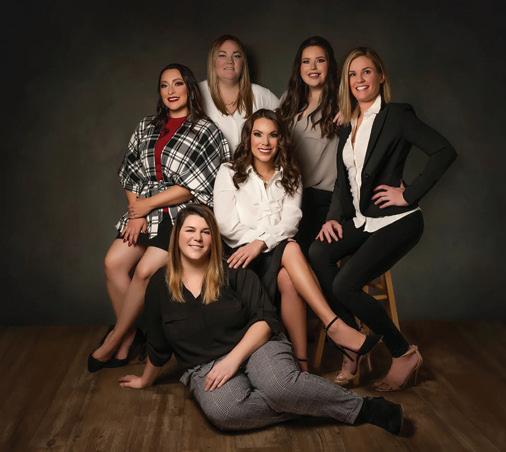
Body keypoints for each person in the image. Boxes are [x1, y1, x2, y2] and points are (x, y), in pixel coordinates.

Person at [117, 204, 406, 435]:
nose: (197, 238)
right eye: (190, 230)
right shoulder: (159, 285)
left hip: (257, 346)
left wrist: (232, 360)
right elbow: (158, 342)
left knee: (281, 387)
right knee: (225, 413)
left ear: (213, 239)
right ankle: (307, 401)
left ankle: (364, 408)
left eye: (205, 232)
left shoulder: (234, 271)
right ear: (177, 236)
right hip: (204, 366)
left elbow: (265, 319)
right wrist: (145, 380)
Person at [309, 47, 457, 389]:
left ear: (381, 76)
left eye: (366, 72)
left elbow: (443, 151)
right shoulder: (347, 124)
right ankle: (353, 343)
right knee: (317, 252)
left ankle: (403, 353)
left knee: (344, 284)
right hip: (364, 220)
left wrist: (408, 194)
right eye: (352, 74)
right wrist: (333, 218)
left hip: (398, 221)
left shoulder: (397, 115)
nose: (359, 79)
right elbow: (344, 181)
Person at [88, 63, 231, 371]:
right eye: (164, 85)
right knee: (113, 263)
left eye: (177, 84)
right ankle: (131, 339)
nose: (171, 91)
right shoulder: (146, 126)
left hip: (183, 213)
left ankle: (114, 340)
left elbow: (194, 186)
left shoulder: (205, 130)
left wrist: (147, 205)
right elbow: (130, 172)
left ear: (189, 88)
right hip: (144, 209)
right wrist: (136, 211)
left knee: (144, 271)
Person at [213, 109, 377, 372]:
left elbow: (291, 222)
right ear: (248, 138)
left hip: (275, 252)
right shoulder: (229, 171)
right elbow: (225, 225)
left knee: (289, 275)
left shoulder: (291, 174)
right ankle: (333, 325)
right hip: (240, 258)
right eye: (258, 134)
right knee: (290, 247)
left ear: (281, 139)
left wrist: (262, 242)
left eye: (273, 135)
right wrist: (260, 242)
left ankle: (302, 366)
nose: (265, 142)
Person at [279, 36, 339, 254]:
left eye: (320, 60)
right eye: (306, 61)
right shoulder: (289, 101)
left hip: (323, 200)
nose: (313, 67)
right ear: (299, 67)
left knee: (302, 258)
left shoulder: (343, 103)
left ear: (329, 65)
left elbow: (373, 139)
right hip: (287, 197)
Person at [199, 34, 279, 152]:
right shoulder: (196, 92)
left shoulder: (261, 95)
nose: (230, 61)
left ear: (243, 62)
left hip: (250, 164)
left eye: (236, 56)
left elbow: (286, 131)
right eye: (222, 55)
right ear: (213, 61)